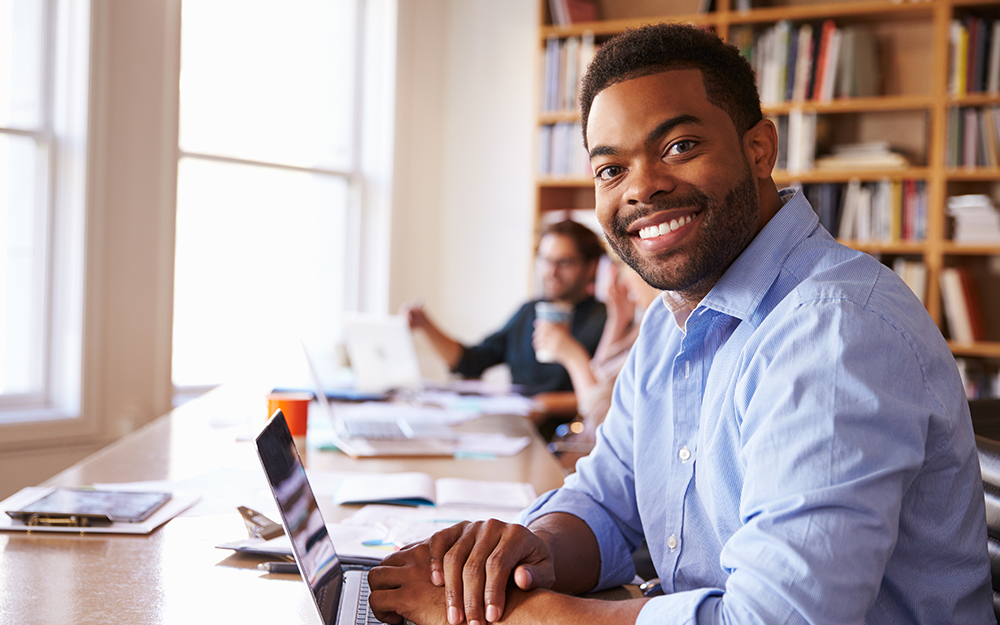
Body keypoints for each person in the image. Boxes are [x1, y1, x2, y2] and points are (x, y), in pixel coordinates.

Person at [368, 22, 995, 625]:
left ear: (759, 149)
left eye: (679, 147)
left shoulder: (835, 333)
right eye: (610, 169)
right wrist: (523, 556)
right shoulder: (673, 320)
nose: (641, 189)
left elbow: (778, 620)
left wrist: (525, 617)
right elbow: (606, 502)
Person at [403, 220, 607, 398]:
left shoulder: (606, 319)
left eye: (564, 262)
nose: (551, 271)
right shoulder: (528, 312)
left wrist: (543, 406)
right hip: (520, 429)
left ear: (591, 267)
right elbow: (471, 362)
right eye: (545, 260)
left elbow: (605, 397)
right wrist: (425, 324)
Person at [536, 260, 660, 469]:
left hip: (595, 463)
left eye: (626, 266)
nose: (619, 278)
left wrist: (573, 357)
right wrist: (617, 318)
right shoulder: (639, 328)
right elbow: (600, 373)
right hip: (576, 457)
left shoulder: (661, 335)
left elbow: (604, 421)